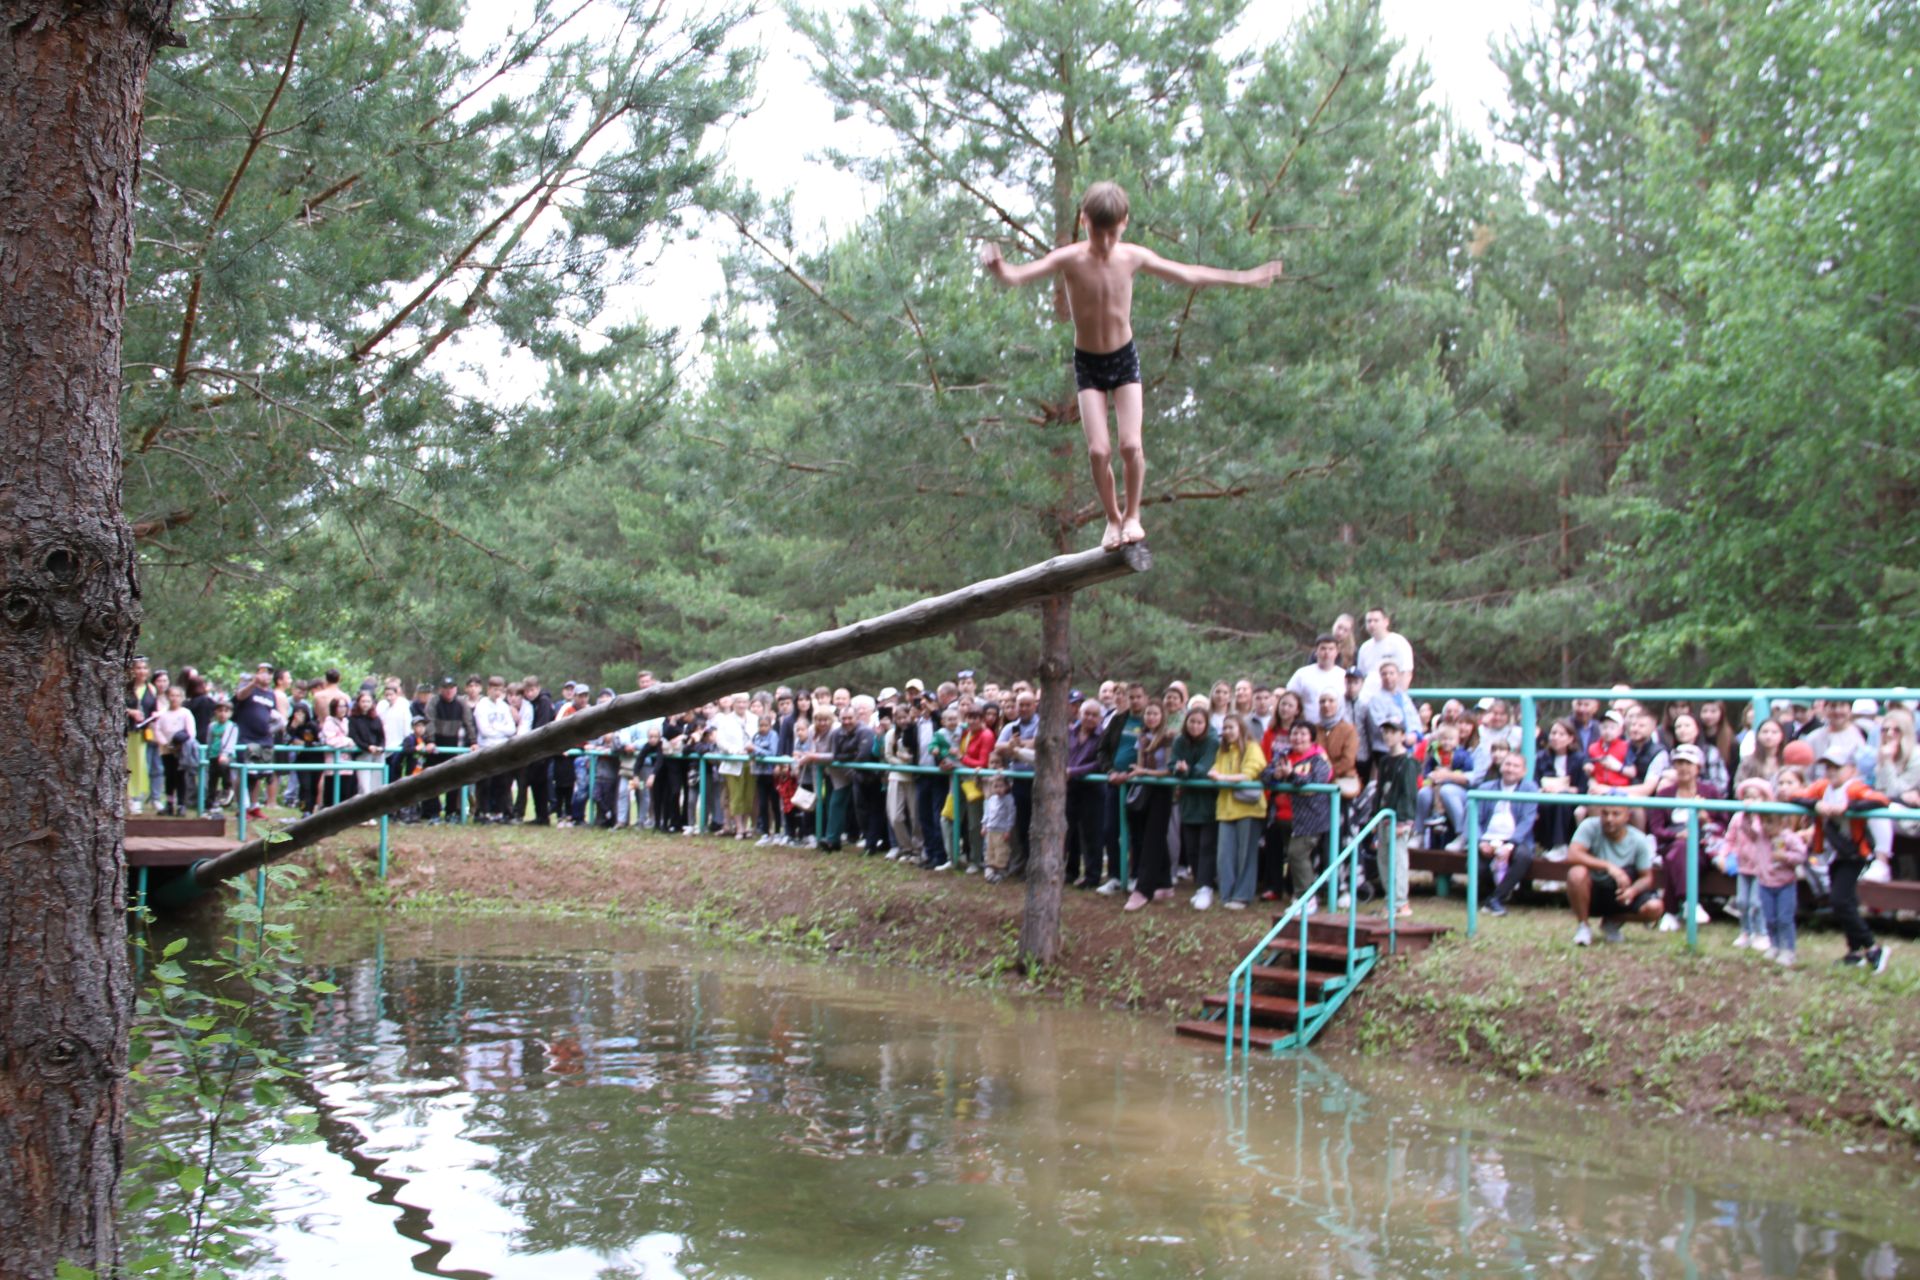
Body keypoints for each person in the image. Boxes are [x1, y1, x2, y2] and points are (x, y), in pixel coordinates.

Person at [979, 180, 1283, 549]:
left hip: (1123, 359)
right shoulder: (1069, 259)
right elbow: (1019, 275)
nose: (1105, 242)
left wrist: (1244, 277)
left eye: (1112, 233)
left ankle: (1133, 515)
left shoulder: (1133, 256)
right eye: (1096, 233)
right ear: (1084, 220)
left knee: (1130, 446)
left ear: (1124, 223)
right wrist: (999, 269)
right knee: (1098, 451)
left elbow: (1189, 274)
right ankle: (1112, 519)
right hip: (1088, 363)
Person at [1782, 746, 1892, 972]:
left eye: (1837, 767)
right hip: (1835, 853)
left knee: (1840, 900)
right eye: (1828, 767)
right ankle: (1855, 952)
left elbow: (1880, 800)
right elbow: (1795, 796)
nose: (1831, 772)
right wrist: (1816, 805)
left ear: (1851, 769)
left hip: (1856, 853)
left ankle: (1873, 947)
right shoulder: (1822, 788)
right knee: (1844, 902)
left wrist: (1847, 808)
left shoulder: (1855, 788)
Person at [1647, 744, 1725, 932]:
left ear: (1698, 767)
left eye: (1688, 763)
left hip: (1702, 847)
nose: (1683, 768)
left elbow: (1723, 824)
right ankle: (1690, 902)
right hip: (1671, 845)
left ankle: (1671, 910)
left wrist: (1706, 820)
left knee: (1679, 855)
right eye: (1679, 763)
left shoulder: (1711, 792)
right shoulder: (1664, 794)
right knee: (1679, 849)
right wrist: (1676, 834)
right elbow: (1656, 828)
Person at [1564, 803, 1664, 946]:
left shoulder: (1639, 839)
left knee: (1655, 908)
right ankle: (1583, 927)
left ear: (1627, 817)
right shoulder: (1589, 826)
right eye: (1605, 813)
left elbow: (1646, 877)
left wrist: (1632, 891)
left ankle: (1613, 921)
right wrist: (1609, 866)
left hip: (1622, 893)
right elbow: (1572, 855)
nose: (1609, 819)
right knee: (1576, 873)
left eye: (1616, 814)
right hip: (1594, 889)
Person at [1719, 776, 1786, 952]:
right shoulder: (1738, 818)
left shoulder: (1766, 819)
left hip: (1760, 868)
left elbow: (1760, 834)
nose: (1750, 801)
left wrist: (1756, 816)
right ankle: (1745, 932)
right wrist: (1723, 855)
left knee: (1757, 902)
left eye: (1756, 797)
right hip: (1743, 865)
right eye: (1747, 796)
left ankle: (1761, 933)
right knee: (1742, 901)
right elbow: (1729, 839)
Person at [1209, 713, 1268, 911]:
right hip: (1226, 809)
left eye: (1231, 727)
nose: (1227, 732)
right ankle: (1226, 894)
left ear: (1241, 728)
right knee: (1224, 855)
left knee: (1246, 855)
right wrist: (1215, 774)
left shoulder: (1252, 748)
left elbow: (1250, 773)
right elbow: (1215, 769)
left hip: (1249, 809)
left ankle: (1242, 895)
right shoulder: (1222, 751)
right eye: (1224, 728)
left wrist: (1223, 777)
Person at [1269, 721, 1331, 909]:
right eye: (1295, 733)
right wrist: (1276, 775)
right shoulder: (1283, 755)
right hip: (1284, 816)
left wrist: (1291, 775)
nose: (1298, 738)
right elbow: (1266, 772)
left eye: (1303, 734)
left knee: (1297, 854)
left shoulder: (1318, 759)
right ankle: (1300, 894)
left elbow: (1316, 780)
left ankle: (1307, 898)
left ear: (1311, 738)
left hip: (1309, 819)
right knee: (1295, 856)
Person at [1121, 702, 1176, 910]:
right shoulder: (1142, 738)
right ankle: (1165, 883)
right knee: (1148, 836)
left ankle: (1143, 890)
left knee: (1153, 837)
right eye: (1148, 714)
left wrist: (1145, 773)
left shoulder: (1169, 738)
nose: (1151, 717)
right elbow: (1139, 765)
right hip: (1144, 790)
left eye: (1155, 713)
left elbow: (1169, 769)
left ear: (1162, 716)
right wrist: (1140, 774)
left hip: (1162, 791)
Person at [1472, 751, 1538, 917]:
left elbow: (1527, 820)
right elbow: (1474, 819)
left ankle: (1496, 899)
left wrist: (1510, 845)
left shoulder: (1530, 789)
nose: (1510, 769)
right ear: (1501, 766)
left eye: (1516, 766)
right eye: (1507, 764)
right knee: (1476, 864)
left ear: (1523, 771)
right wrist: (1480, 841)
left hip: (1515, 839)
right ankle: (1490, 896)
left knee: (1523, 857)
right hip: (1488, 837)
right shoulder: (1486, 788)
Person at [1170, 706, 1220, 909]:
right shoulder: (1179, 741)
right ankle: (1200, 883)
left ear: (1206, 724)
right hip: (1188, 802)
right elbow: (1173, 764)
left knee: (1206, 846)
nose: (1195, 726)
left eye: (1200, 722)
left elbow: (1204, 768)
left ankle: (1206, 886)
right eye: (1192, 721)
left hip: (1208, 801)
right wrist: (1179, 770)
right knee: (1191, 847)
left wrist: (1187, 771)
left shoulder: (1212, 742)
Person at [1373, 719, 1419, 919]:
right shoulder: (1384, 762)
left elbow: (1409, 793)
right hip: (1383, 815)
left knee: (1398, 859)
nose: (1388, 736)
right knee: (1383, 858)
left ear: (1402, 735)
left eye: (1392, 732)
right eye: (1385, 732)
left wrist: (1405, 820)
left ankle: (1401, 901)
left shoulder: (1408, 762)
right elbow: (1378, 790)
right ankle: (1390, 899)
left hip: (1398, 819)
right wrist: (1375, 816)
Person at [1531, 718, 1586, 854]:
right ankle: (1543, 845)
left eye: (1561, 734)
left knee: (1562, 798)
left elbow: (1582, 787)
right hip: (1546, 798)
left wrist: (1564, 789)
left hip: (1570, 800)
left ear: (1571, 738)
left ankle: (1560, 845)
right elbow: (1534, 783)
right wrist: (1543, 789)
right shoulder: (1541, 757)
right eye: (1553, 733)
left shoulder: (1579, 759)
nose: (1556, 737)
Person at [1414, 721, 1472, 849]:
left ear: (1457, 741)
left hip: (1455, 785)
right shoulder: (1435, 754)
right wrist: (1428, 777)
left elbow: (1468, 770)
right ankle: (1419, 833)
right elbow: (1428, 768)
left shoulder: (1461, 755)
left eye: (1450, 739)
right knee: (1423, 793)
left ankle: (1461, 834)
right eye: (1444, 739)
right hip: (1435, 783)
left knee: (1445, 790)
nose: (1447, 743)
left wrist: (1450, 775)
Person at [1286, 634, 1348, 726]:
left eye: (1331, 649)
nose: (1327, 652)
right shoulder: (1302, 674)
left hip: (1337, 729)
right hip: (1308, 729)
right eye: (1323, 648)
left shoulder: (1344, 676)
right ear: (1316, 651)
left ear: (1337, 652)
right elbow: (1289, 699)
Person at [1355, 606, 1415, 698]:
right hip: (1368, 698)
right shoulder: (1364, 648)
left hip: (1391, 697)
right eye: (1369, 621)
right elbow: (1361, 677)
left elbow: (1406, 674)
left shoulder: (1398, 642)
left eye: (1376, 620)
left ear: (1386, 622)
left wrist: (1397, 697)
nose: (1372, 624)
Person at [981, 773, 1017, 880]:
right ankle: (990, 868)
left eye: (1001, 786)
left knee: (1001, 850)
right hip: (991, 829)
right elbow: (987, 813)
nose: (998, 789)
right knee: (989, 849)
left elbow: (1011, 815)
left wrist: (1008, 830)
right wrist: (984, 825)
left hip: (1001, 830)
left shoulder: (1009, 799)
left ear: (1006, 787)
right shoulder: (991, 799)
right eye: (995, 786)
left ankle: (1000, 870)